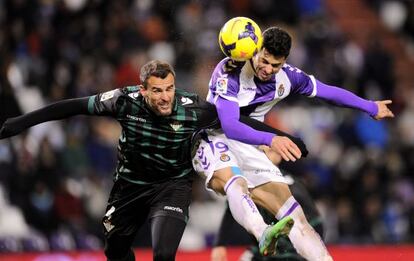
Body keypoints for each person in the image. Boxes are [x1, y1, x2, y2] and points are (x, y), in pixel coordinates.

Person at [0, 60, 308, 261]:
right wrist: (21, 123)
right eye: (157, 91)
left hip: (172, 186)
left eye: (169, 89)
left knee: (163, 255)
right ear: (143, 89)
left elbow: (236, 121)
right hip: (130, 186)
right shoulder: (122, 100)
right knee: (116, 252)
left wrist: (280, 137)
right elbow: (71, 107)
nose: (165, 97)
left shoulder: (192, 109)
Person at [193, 26, 394, 260]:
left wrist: (370, 107)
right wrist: (271, 139)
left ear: (284, 61)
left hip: (249, 144)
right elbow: (229, 125)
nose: (267, 69)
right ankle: (263, 233)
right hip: (212, 137)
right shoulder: (230, 70)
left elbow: (328, 93)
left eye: (275, 65)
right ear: (256, 50)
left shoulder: (289, 77)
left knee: (297, 218)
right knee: (236, 183)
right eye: (264, 60)